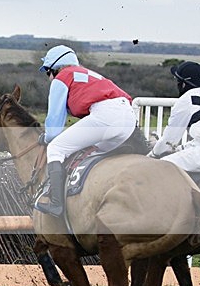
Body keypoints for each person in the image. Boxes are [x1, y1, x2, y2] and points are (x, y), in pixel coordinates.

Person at [35, 45, 136, 217]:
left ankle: (56, 204)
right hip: (128, 119)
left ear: (54, 69)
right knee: (88, 154)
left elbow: (54, 123)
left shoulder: (62, 77)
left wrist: (47, 137)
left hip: (106, 115)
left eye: (48, 72)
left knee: (56, 149)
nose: (49, 78)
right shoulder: (88, 74)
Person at [149, 61, 200, 172]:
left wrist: (152, 155)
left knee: (162, 166)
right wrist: (179, 149)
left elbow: (170, 139)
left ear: (183, 84)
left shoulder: (185, 100)